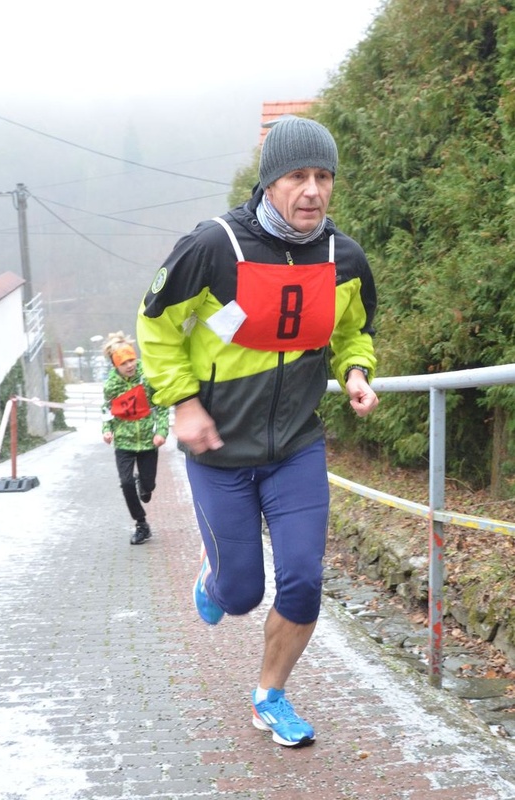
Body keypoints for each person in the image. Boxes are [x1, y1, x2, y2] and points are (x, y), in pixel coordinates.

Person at [136, 116, 379, 746]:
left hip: (297, 446)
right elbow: (156, 325)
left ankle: (270, 696)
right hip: (219, 450)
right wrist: (183, 403)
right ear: (269, 181)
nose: (312, 190)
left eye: (323, 176)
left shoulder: (344, 258)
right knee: (241, 594)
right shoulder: (215, 246)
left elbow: (354, 330)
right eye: (297, 176)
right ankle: (216, 576)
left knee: (304, 579)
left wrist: (356, 371)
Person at [101, 331, 169, 545]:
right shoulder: (111, 385)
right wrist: (107, 429)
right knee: (126, 482)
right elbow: (107, 409)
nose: (129, 365)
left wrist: (162, 431)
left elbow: (162, 405)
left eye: (131, 359)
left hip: (148, 441)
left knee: (148, 487)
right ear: (115, 364)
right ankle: (141, 524)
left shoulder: (147, 377)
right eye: (123, 363)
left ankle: (145, 485)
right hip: (124, 442)